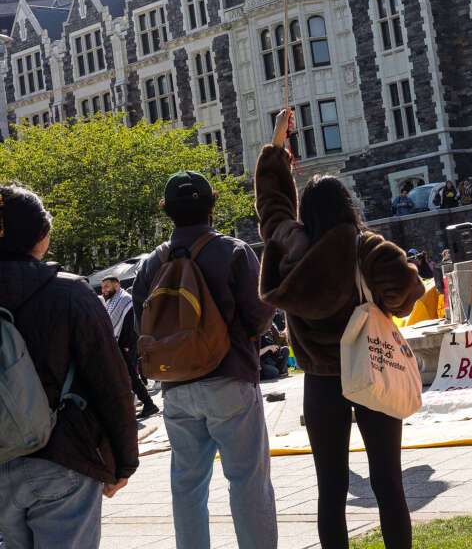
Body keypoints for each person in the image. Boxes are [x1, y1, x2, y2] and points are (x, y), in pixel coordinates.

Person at [256, 109, 424, 549]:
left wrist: (277, 144)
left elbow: (272, 206)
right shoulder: (366, 248)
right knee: (389, 485)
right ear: (347, 206)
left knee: (330, 491)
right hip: (373, 369)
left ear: (307, 214)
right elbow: (409, 292)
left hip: (320, 384)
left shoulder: (291, 251)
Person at [132, 171, 278, 548]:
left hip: (176, 386)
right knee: (248, 481)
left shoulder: (151, 264)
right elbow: (260, 315)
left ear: (168, 212)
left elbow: (140, 325)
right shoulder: (234, 251)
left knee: (186, 486)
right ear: (212, 206)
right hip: (230, 377)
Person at [0, 184, 139, 547]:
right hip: (64, 456)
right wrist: (123, 461)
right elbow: (110, 379)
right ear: (42, 235)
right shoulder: (69, 293)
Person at [101, 274, 158, 418]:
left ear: (116, 285)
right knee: (127, 377)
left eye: (107, 286)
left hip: (126, 345)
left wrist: (126, 345)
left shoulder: (125, 300)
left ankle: (149, 404)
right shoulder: (112, 301)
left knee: (131, 377)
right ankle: (142, 405)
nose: (104, 290)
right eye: (102, 287)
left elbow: (131, 325)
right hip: (120, 346)